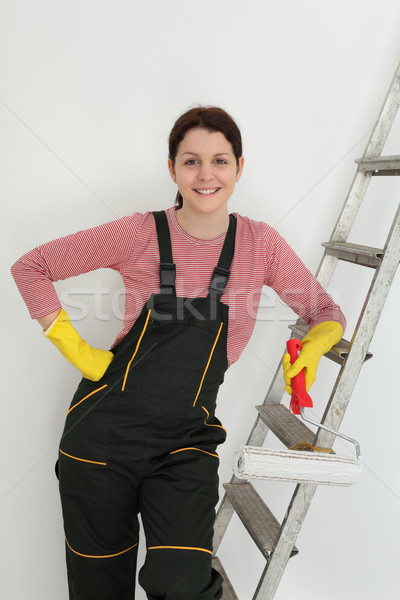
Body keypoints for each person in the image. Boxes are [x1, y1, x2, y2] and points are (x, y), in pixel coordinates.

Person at [11, 106, 346, 600]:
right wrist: (78, 351)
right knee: (99, 587)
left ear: (239, 167)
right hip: (103, 435)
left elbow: (324, 308)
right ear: (172, 169)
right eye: (191, 161)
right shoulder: (140, 232)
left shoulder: (261, 244)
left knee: (182, 583)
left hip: (186, 441)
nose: (206, 174)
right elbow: (31, 266)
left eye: (220, 161)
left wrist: (315, 347)